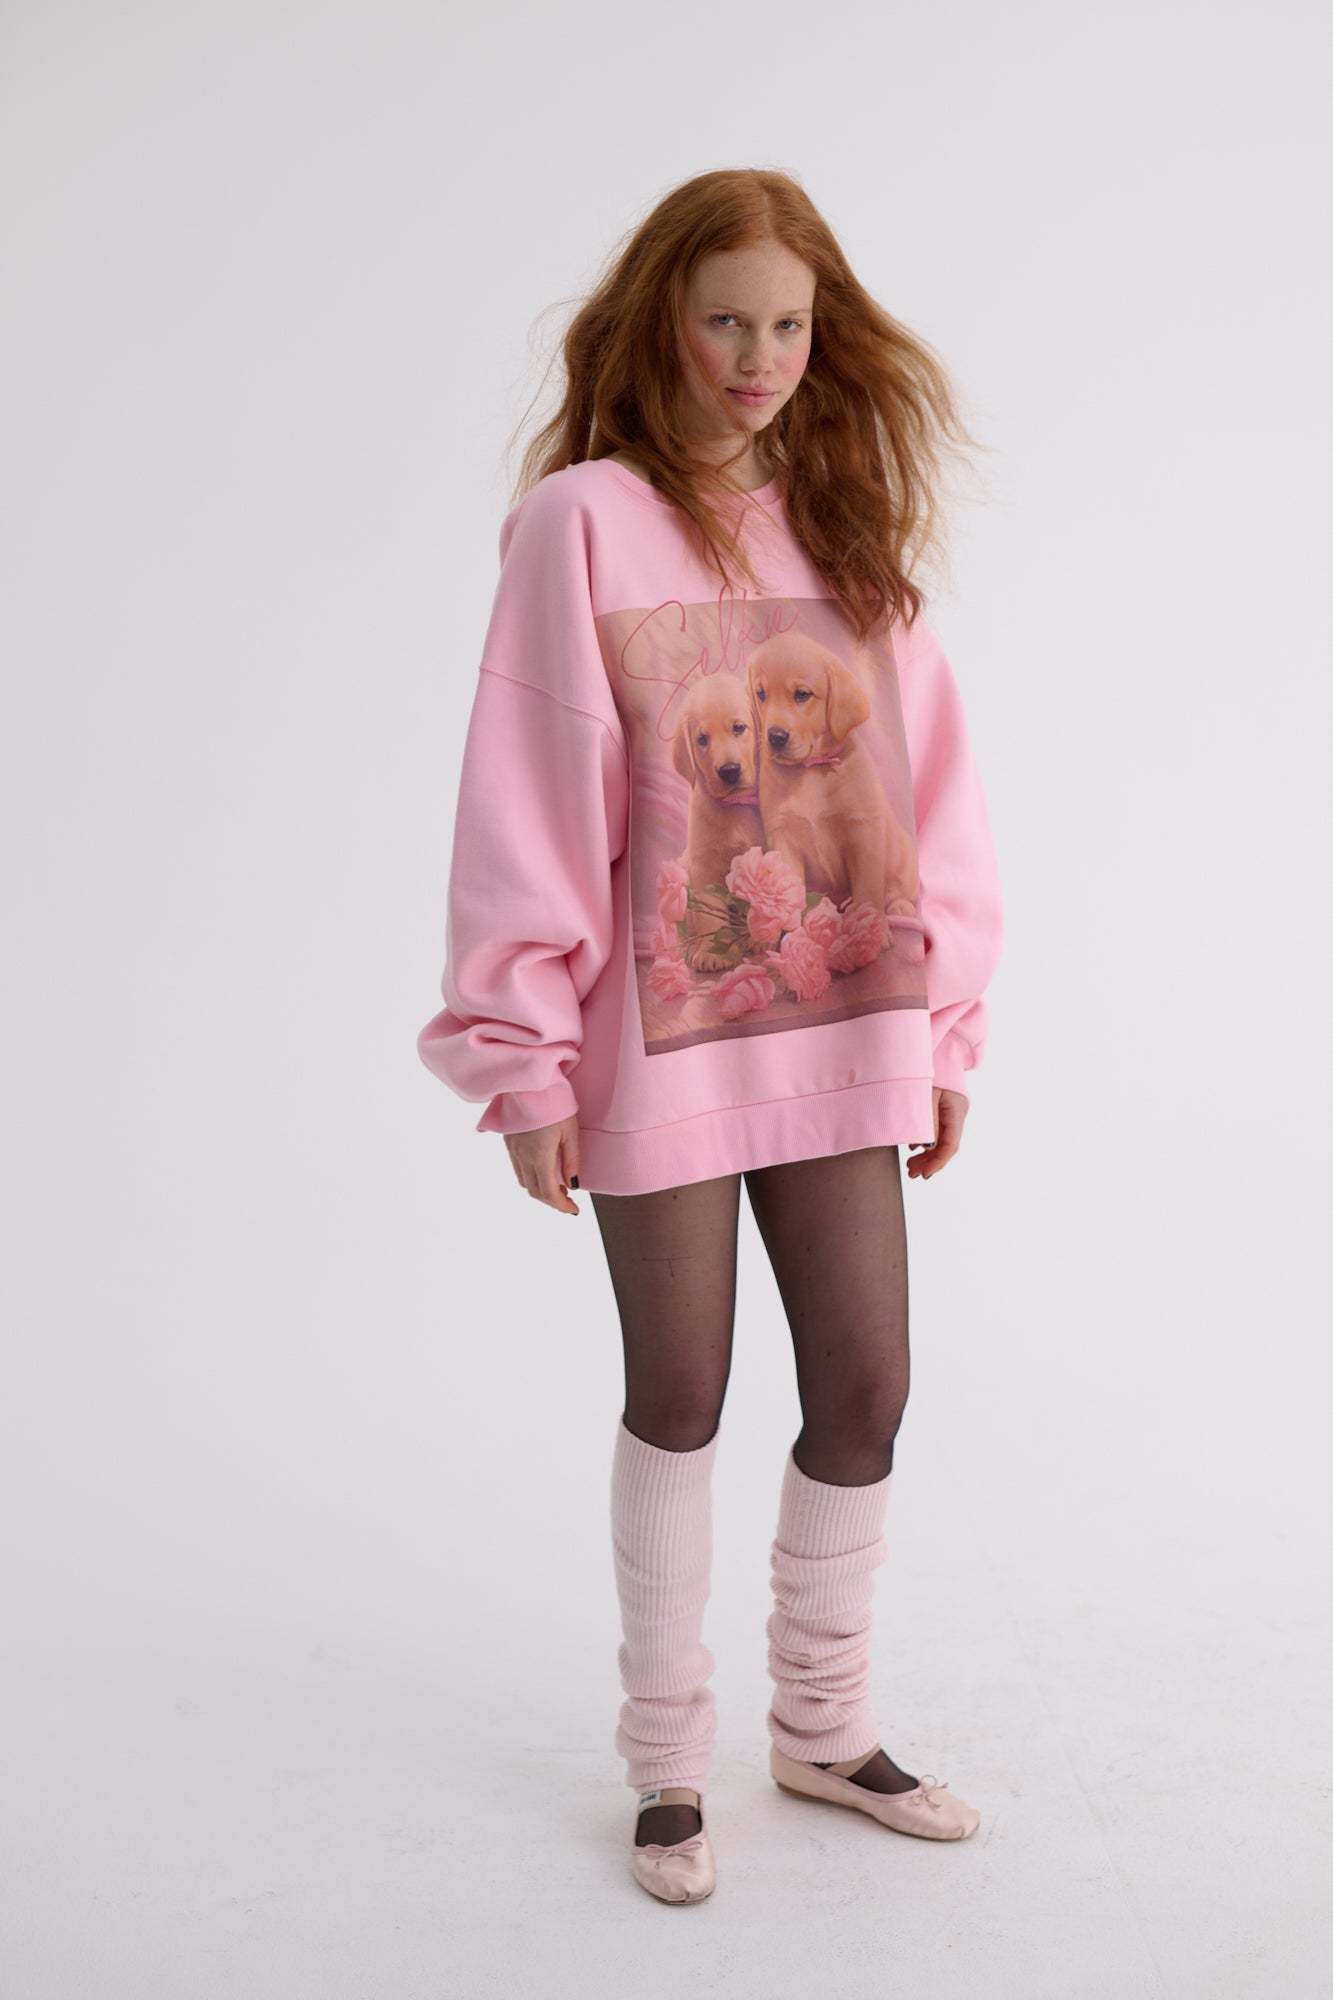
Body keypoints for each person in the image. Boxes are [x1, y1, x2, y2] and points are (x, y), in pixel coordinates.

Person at [416, 167, 1004, 1905]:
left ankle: (821, 1730)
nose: (758, 358)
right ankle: (668, 1763)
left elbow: (932, 799)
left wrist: (944, 1030)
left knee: (866, 1391)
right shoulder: (581, 524)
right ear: (659, 323)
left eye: (790, 326)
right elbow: (530, 797)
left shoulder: (846, 527)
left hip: (843, 1020)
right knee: (678, 1396)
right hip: (656, 1045)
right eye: (725, 319)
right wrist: (522, 1056)